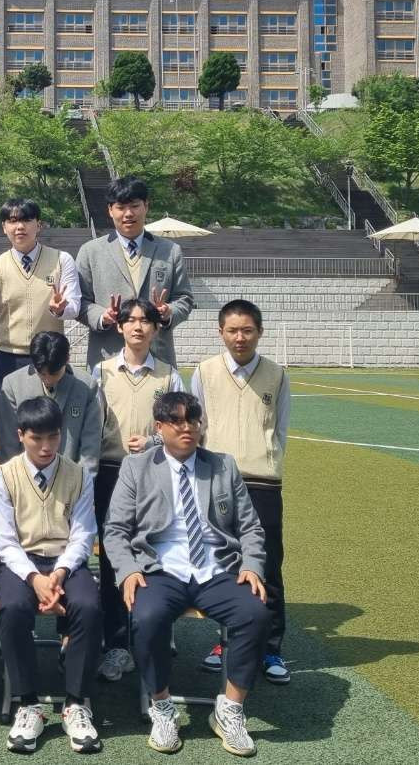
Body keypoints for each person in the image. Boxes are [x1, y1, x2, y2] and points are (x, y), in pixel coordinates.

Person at [104, 392, 271, 757]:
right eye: (178, 421)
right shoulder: (136, 467)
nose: (188, 428)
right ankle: (162, 706)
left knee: (256, 613)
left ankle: (230, 709)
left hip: (216, 567)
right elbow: (115, 530)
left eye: (194, 420)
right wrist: (128, 570)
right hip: (160, 568)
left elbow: (251, 528)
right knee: (147, 616)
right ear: (159, 427)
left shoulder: (223, 466)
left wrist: (251, 566)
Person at [0, 396, 102, 754]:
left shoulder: (78, 474)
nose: (46, 446)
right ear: (21, 435)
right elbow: (5, 542)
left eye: (53, 436)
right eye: (37, 438)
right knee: (13, 607)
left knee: (88, 605)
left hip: (66, 562)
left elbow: (83, 534)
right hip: (21, 562)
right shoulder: (3, 476)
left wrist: (61, 571)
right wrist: (35, 579)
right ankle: (28, 704)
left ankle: (76, 703)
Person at [190, 299, 292, 686]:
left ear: (259, 332)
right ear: (220, 333)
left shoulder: (277, 375)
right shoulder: (204, 372)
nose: (240, 337)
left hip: (263, 482)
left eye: (247, 330)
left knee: (269, 563)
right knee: (222, 563)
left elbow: (279, 430)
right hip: (216, 480)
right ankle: (226, 642)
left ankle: (271, 648)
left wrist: (266, 461)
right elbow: (197, 426)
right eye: (232, 330)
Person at [90, 298, 186, 683]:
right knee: (112, 559)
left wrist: (153, 443)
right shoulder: (100, 371)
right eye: (130, 320)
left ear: (156, 328)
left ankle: (152, 632)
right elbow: (90, 426)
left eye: (145, 321)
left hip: (154, 473)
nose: (137, 327)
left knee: (152, 553)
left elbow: (183, 429)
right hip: (109, 472)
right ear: (119, 327)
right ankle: (115, 643)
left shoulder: (168, 376)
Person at [0, 197, 80, 403]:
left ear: (39, 225)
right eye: (12, 221)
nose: (19, 226)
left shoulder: (62, 260)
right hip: (8, 358)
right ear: (4, 227)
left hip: (50, 357)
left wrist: (60, 309)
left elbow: (75, 306)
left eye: (26, 220)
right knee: (8, 421)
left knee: (53, 420)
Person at [75, 175, 194, 371]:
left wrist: (168, 312)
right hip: (107, 360)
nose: (128, 213)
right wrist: (102, 316)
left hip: (158, 359)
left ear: (146, 206)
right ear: (110, 210)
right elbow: (79, 301)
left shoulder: (170, 251)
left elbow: (185, 298)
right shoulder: (90, 251)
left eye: (135, 206)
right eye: (121, 207)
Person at [0, 331, 103, 471]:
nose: (48, 379)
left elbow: (91, 443)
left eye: (54, 373)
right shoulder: (13, 384)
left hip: (71, 475)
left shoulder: (87, 386)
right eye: (42, 374)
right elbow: (9, 444)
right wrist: (13, 478)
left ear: (67, 359)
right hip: (25, 475)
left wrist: (83, 480)